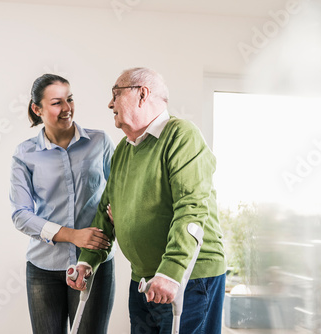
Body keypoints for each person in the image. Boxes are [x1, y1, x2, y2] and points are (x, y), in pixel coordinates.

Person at [67, 67, 227, 333]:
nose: (110, 104)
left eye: (115, 94)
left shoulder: (181, 136)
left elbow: (191, 208)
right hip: (142, 279)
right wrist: (87, 261)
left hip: (189, 277)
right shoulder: (124, 149)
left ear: (142, 94)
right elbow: (106, 211)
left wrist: (172, 271)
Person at [9, 73, 115, 334]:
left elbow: (118, 195)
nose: (67, 108)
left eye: (69, 99)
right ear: (38, 109)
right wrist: (72, 236)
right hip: (43, 269)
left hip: (95, 264)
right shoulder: (25, 154)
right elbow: (21, 215)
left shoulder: (99, 142)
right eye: (57, 102)